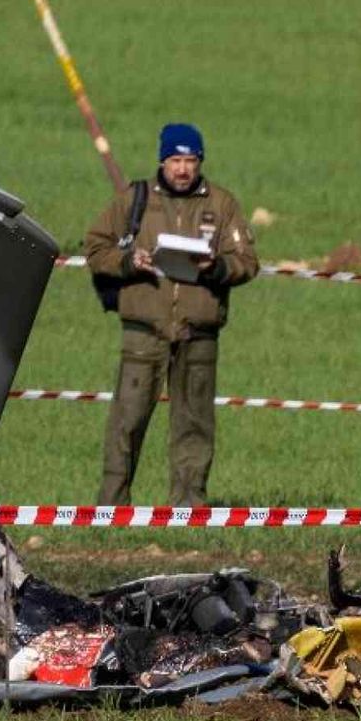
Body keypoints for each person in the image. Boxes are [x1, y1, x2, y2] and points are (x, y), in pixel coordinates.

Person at [84, 123, 259, 506]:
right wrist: (131, 261)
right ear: (162, 161)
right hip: (143, 331)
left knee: (194, 424)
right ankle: (111, 507)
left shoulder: (222, 204)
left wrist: (215, 267)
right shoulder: (134, 201)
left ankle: (188, 507)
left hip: (199, 333)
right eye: (175, 160)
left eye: (190, 160)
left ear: (200, 162)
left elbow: (247, 261)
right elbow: (95, 249)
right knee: (126, 422)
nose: (183, 169)